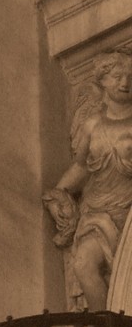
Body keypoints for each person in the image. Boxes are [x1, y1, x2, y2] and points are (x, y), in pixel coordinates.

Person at [44, 50, 132, 312]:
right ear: (102, 81)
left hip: (127, 214)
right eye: (117, 76)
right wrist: (59, 192)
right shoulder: (93, 124)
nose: (125, 82)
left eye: (130, 76)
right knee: (83, 264)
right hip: (96, 212)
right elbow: (82, 167)